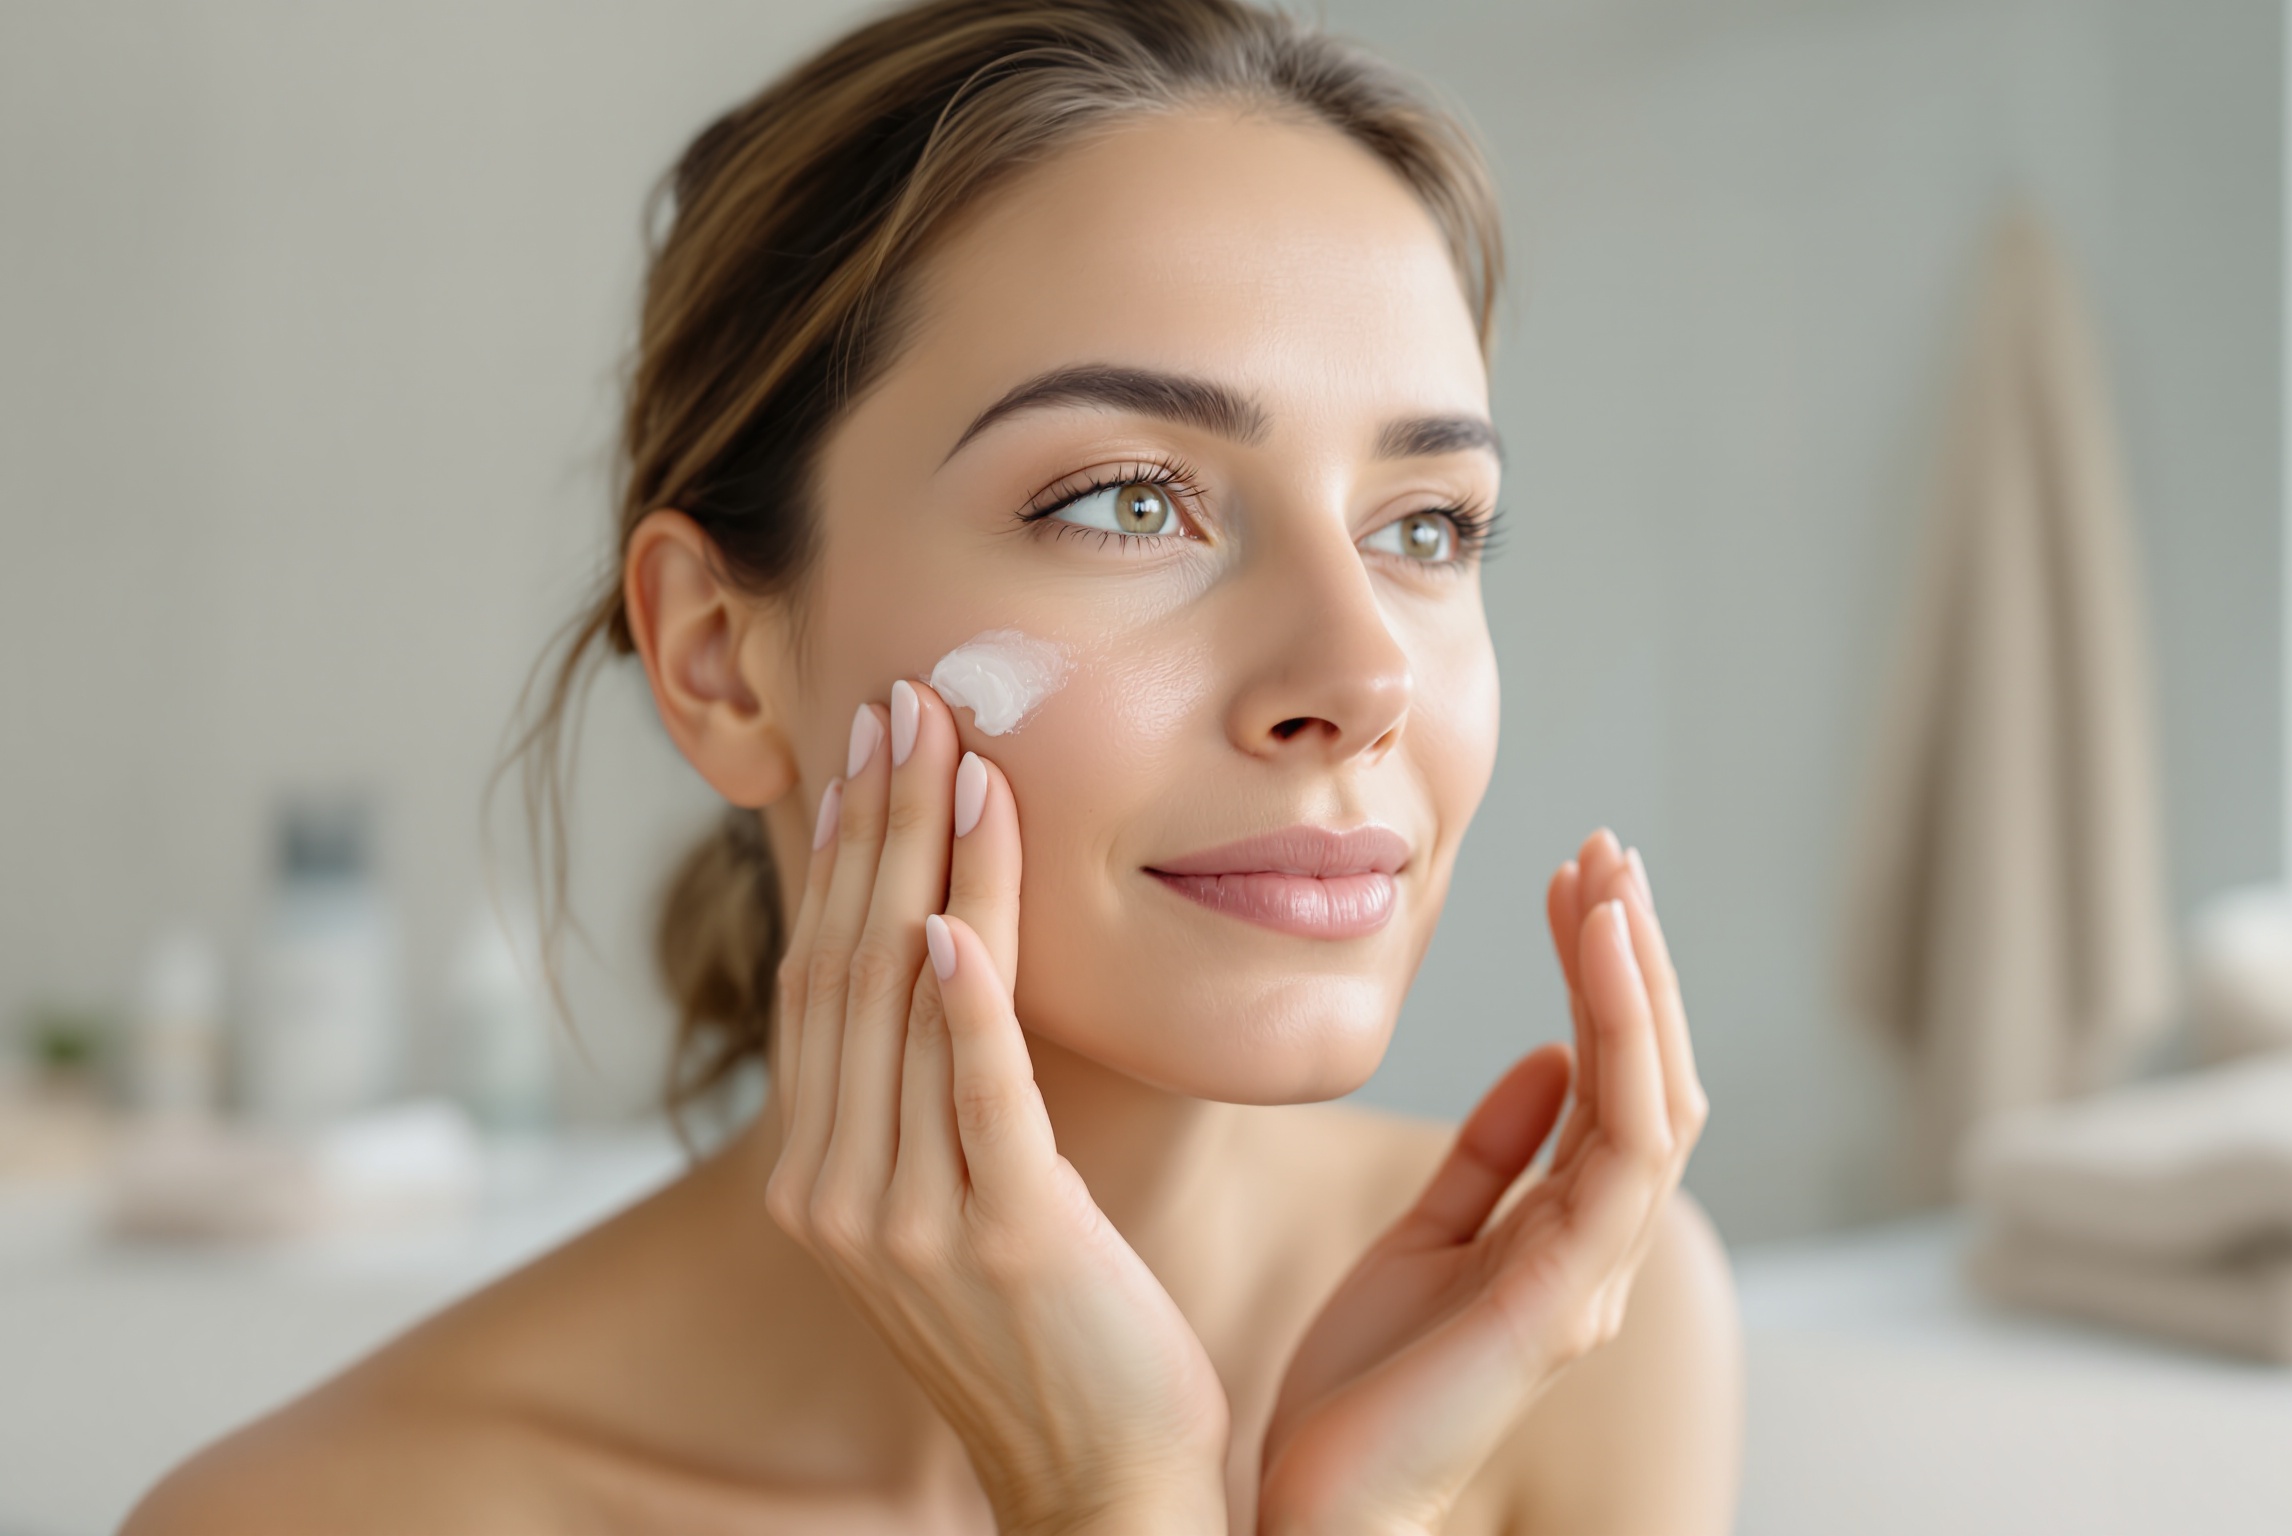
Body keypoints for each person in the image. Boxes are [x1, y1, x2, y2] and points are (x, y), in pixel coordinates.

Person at [126, 2, 1738, 1530]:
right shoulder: (320, 1519)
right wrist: (1106, 1499)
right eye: (1125, 501)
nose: (1361, 673)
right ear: (720, 659)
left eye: (1426, 526)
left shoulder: (1579, 1333)